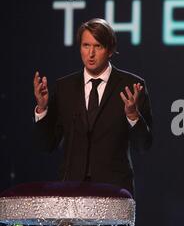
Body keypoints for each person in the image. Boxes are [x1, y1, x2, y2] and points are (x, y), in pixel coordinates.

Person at [33, 18, 152, 194]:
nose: (90, 54)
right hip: (71, 191)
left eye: (98, 46)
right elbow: (46, 145)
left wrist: (133, 115)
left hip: (113, 191)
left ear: (110, 50)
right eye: (86, 45)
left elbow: (143, 146)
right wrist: (42, 109)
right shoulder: (65, 88)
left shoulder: (131, 86)